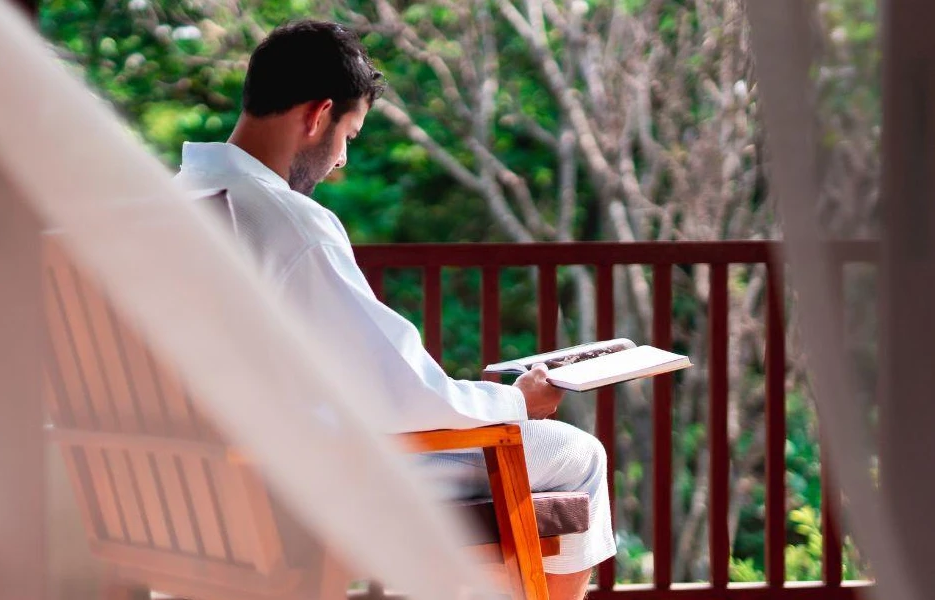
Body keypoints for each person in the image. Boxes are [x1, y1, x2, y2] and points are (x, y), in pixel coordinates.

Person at [173, 19, 614, 599]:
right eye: (348, 136)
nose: (340, 164)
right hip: (294, 481)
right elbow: (399, 393)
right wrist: (516, 401)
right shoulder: (284, 221)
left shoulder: (174, 202)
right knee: (578, 455)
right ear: (316, 116)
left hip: (185, 482)